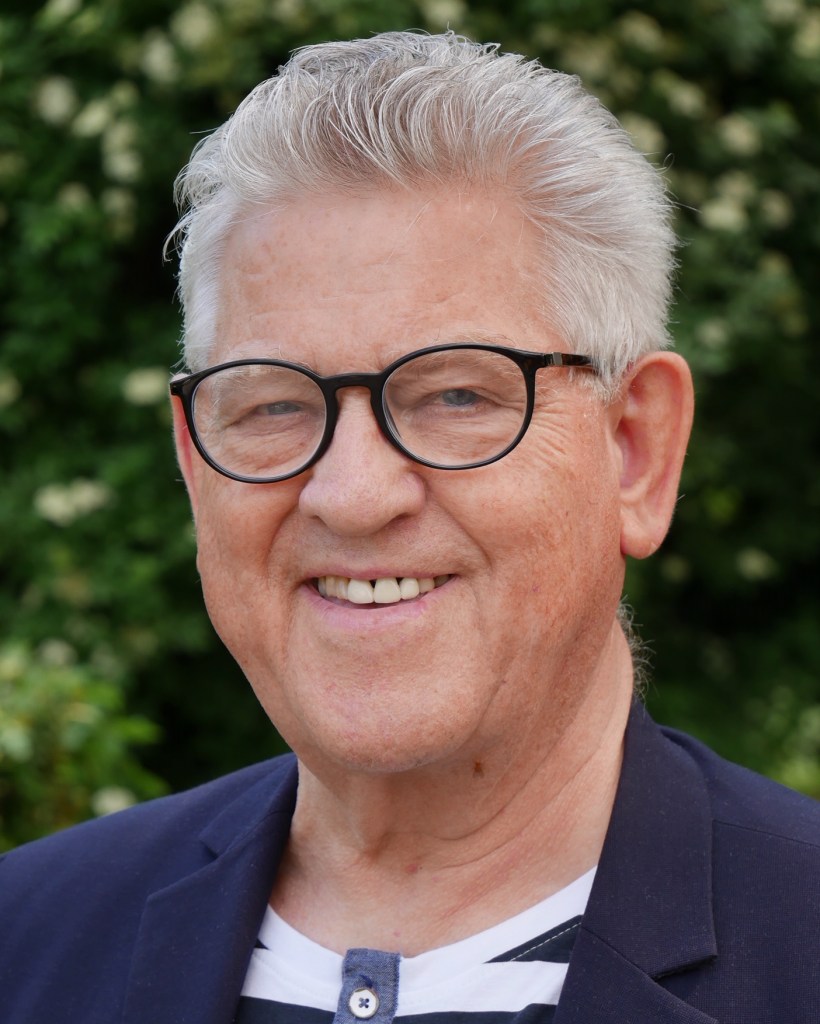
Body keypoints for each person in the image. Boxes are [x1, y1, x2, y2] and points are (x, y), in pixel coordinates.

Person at [1, 30, 818, 1024]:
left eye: (457, 395)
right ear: (193, 461)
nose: (352, 494)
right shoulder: (26, 941)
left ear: (635, 450)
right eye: (273, 405)